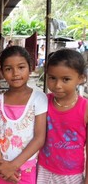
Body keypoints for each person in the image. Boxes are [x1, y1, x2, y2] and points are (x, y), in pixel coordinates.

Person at [0, 46, 48, 183]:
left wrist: (12, 166)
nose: (15, 73)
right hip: (0, 168)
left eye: (21, 67)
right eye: (8, 69)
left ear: (30, 68)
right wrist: (2, 164)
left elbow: (39, 138)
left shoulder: (39, 98)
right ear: (2, 71)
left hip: (26, 168)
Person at [37, 49, 88, 184]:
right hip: (43, 169)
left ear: (81, 78)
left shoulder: (85, 108)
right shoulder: (43, 102)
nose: (57, 85)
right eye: (52, 78)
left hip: (71, 175)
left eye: (66, 79)